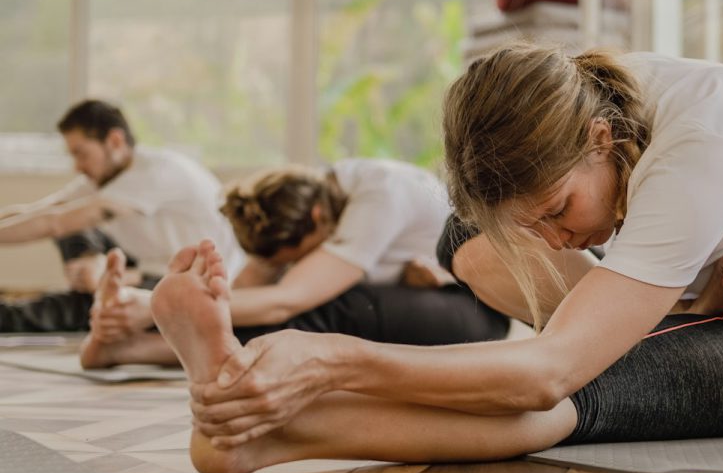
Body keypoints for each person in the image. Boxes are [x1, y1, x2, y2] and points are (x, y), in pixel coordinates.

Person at [146, 43, 723, 473]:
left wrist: (332, 360)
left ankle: (282, 430)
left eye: (556, 208)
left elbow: (547, 373)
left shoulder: (699, 148)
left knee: (577, 383)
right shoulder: (594, 97)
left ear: (602, 141)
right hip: (719, 298)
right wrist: (692, 301)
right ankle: (669, 321)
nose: (551, 237)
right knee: (464, 234)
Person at [79, 158, 509, 369]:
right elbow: (250, 292)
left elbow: (286, 300)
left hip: (475, 314)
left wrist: (149, 303)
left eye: (295, 258)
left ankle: (137, 349)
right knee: (318, 305)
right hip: (410, 301)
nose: (294, 265)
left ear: (318, 222)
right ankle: (133, 345)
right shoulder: (309, 199)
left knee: (333, 306)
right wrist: (155, 313)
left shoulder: (379, 196)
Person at [0, 99, 244, 332]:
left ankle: (18, 315)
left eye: (81, 154)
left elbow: (54, 224)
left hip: (190, 280)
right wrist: (92, 261)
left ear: (115, 141)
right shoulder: (106, 176)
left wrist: (113, 278)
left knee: (92, 300)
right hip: (144, 264)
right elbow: (40, 211)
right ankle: (95, 275)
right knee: (73, 223)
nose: (77, 166)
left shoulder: (156, 172)